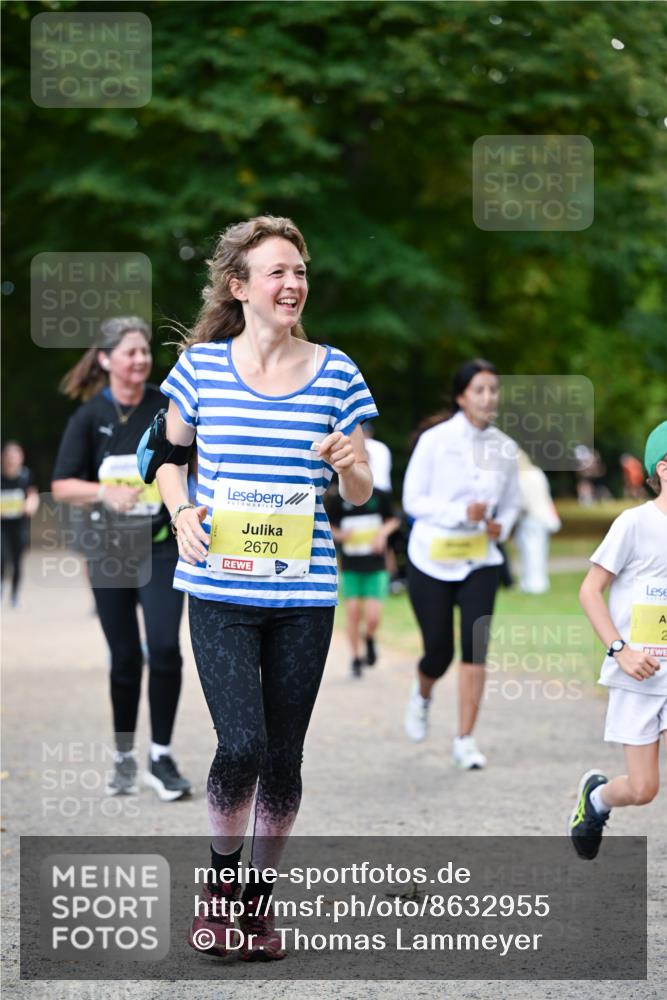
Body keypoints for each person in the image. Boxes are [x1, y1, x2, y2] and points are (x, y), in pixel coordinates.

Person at [154, 216, 377, 960]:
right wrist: (181, 508)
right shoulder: (199, 369)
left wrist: (348, 461)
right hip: (218, 588)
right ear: (238, 286)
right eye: (277, 271)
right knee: (241, 744)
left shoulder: (338, 372)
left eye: (300, 270)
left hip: (304, 595)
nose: (293, 283)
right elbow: (166, 459)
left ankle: (255, 905)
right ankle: (219, 888)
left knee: (284, 759)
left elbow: (360, 490)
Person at [51, 316, 191, 802]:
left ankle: (161, 755)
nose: (141, 359)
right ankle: (124, 755)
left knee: (166, 649)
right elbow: (62, 485)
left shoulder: (165, 406)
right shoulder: (90, 416)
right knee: (126, 657)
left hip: (161, 547)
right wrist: (103, 491)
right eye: (130, 352)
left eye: (145, 351)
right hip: (109, 552)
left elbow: (188, 459)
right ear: (107, 360)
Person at [402, 359, 520, 769]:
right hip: (431, 559)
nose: (489, 398)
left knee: (476, 648)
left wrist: (498, 527)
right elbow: (413, 500)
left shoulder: (505, 448)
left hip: (479, 561)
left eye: (494, 390)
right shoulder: (435, 440)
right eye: (480, 390)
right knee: (439, 651)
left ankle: (465, 739)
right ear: (461, 397)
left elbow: (511, 505)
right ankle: (422, 695)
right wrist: (459, 513)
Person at [568, 420, 667, 860]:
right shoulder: (634, 524)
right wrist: (620, 650)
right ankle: (597, 800)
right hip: (640, 675)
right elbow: (590, 590)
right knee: (644, 789)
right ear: (663, 468)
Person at [326, 479, 400, 676]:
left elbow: (393, 520)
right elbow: (328, 526)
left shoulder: (379, 495)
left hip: (376, 566)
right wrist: (341, 535)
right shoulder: (337, 499)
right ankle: (355, 658)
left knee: (373, 617)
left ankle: (369, 637)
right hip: (350, 566)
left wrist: (382, 534)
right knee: (353, 614)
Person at [513, 449, 561, 594]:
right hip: (543, 518)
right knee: (539, 551)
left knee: (530, 552)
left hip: (530, 519)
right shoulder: (537, 473)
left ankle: (533, 584)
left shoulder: (521, 478)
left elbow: (522, 502)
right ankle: (538, 582)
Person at [1, 441, 39, 606]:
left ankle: (14, 595)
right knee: (1, 557)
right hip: (2, 525)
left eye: (15, 455)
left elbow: (32, 495)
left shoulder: (26, 475)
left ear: (21, 457)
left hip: (19, 524)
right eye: (9, 455)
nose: (12, 459)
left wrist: (31, 504)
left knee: (17, 561)